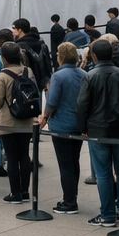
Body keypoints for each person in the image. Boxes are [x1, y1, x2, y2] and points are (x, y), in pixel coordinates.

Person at [75, 39, 119, 226]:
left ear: (94, 56)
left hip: (98, 129)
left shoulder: (90, 76)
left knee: (103, 173)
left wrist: (83, 127)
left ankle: (108, 214)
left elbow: (82, 105)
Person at [40, 42, 84, 214]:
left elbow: (52, 102)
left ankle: (69, 200)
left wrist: (45, 116)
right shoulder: (83, 74)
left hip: (61, 125)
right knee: (74, 161)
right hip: (78, 124)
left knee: (65, 164)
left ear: (60, 57)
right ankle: (73, 195)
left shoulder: (58, 76)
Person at [0, 42, 37, 203]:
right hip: (26, 118)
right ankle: (25, 192)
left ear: (3, 58)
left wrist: (0, 110)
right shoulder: (27, 71)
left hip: (8, 120)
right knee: (24, 155)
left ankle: (15, 193)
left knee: (12, 157)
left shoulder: (2, 76)